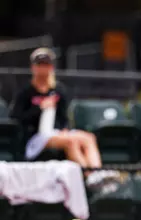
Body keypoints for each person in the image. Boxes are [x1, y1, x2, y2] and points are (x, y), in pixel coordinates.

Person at [9, 47, 119, 188]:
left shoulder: (59, 90)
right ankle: (89, 175)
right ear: (33, 67)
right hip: (36, 137)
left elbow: (63, 117)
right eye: (40, 64)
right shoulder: (25, 92)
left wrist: (65, 129)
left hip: (57, 133)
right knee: (71, 141)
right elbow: (17, 117)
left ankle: (97, 172)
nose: (43, 68)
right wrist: (39, 108)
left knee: (88, 137)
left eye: (46, 64)